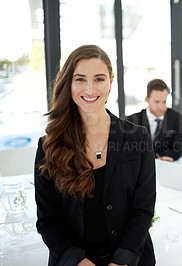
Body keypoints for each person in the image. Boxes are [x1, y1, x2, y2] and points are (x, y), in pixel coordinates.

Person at [34, 45, 156, 266]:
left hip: (130, 260)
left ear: (111, 81)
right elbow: (48, 220)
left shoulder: (138, 137)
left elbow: (143, 210)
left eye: (99, 79)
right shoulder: (48, 145)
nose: (90, 89)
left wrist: (120, 262)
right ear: (68, 83)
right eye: (80, 79)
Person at [126, 79, 182, 161]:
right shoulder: (132, 121)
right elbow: (130, 150)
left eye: (164, 101)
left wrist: (159, 158)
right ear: (147, 99)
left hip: (167, 166)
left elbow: (178, 149)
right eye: (157, 102)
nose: (161, 107)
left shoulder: (176, 118)